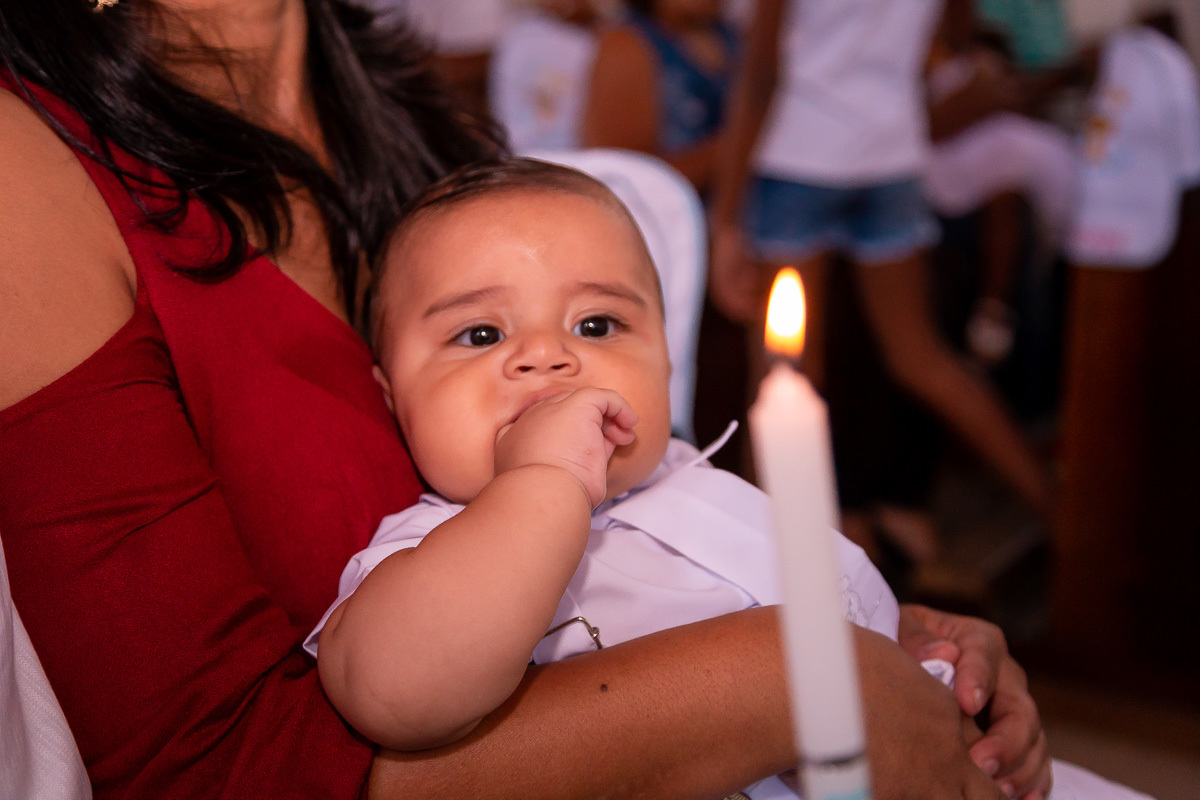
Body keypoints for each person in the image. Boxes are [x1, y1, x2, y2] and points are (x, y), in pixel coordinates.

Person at [0, 1, 1048, 798]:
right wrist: (800, 676)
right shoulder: (32, 166)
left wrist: (878, 632)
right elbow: (215, 767)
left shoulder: (416, 116)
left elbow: (630, 530)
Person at [307, 159, 1149, 800]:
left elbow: (837, 626)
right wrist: (545, 480)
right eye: (480, 334)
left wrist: (930, 665)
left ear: (666, 363)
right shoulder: (429, 552)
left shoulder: (702, 481)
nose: (548, 355)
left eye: (597, 323)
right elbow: (395, 698)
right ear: (391, 397)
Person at [708, 0, 1053, 557]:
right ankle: (1063, 514)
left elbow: (762, 75)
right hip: (893, 154)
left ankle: (764, 570)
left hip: (801, 158)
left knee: (783, 373)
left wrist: (724, 218)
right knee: (922, 356)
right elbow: (958, 35)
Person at [581, 0, 738, 192]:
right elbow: (623, 175)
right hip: (668, 216)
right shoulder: (627, 46)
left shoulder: (738, 41)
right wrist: (736, 147)